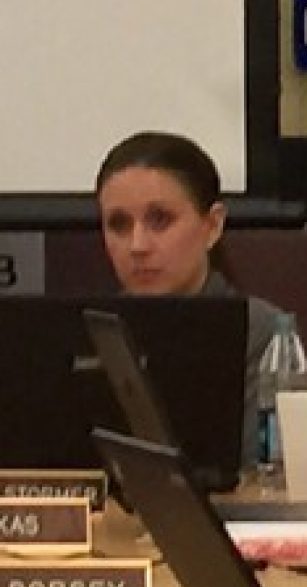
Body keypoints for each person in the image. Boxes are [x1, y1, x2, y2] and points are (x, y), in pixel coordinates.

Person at [95, 130, 283, 469]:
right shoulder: (91, 330)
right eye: (119, 224)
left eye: (160, 220)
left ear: (212, 226)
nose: (137, 245)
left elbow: (265, 476)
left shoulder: (263, 332)